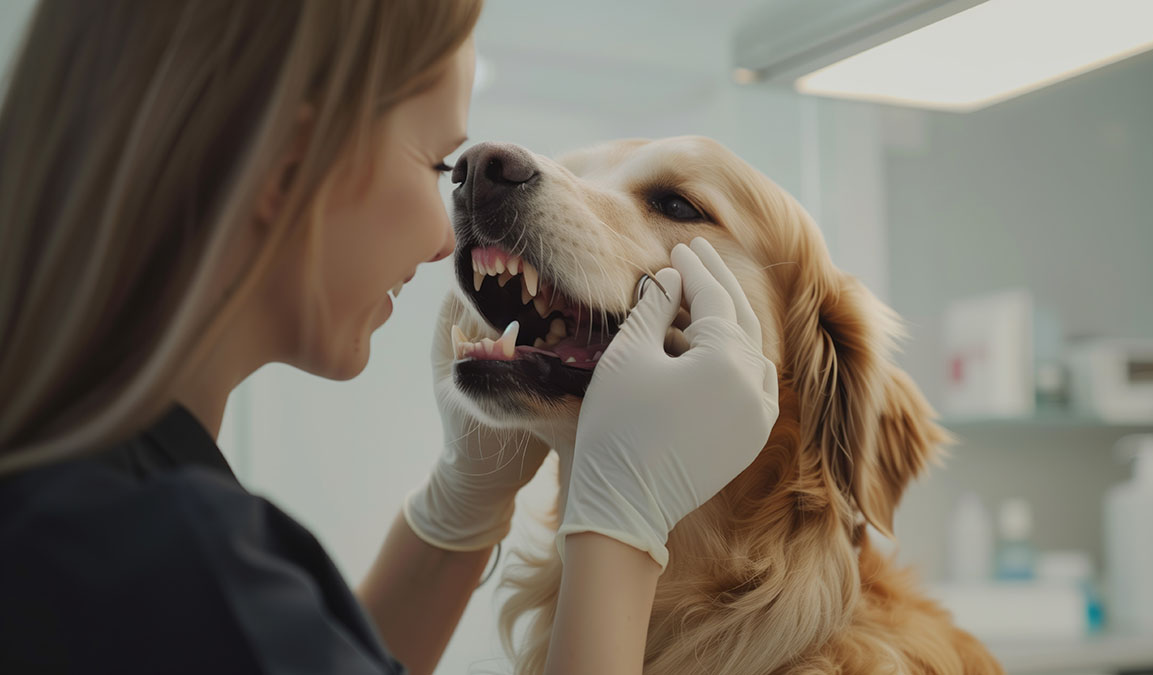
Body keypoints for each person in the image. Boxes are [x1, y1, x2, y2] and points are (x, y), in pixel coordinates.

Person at [0, 1, 779, 674]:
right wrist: (621, 523)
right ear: (286, 168)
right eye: (440, 162)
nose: (449, 244)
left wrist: (459, 504)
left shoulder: (86, 499)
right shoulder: (166, 562)